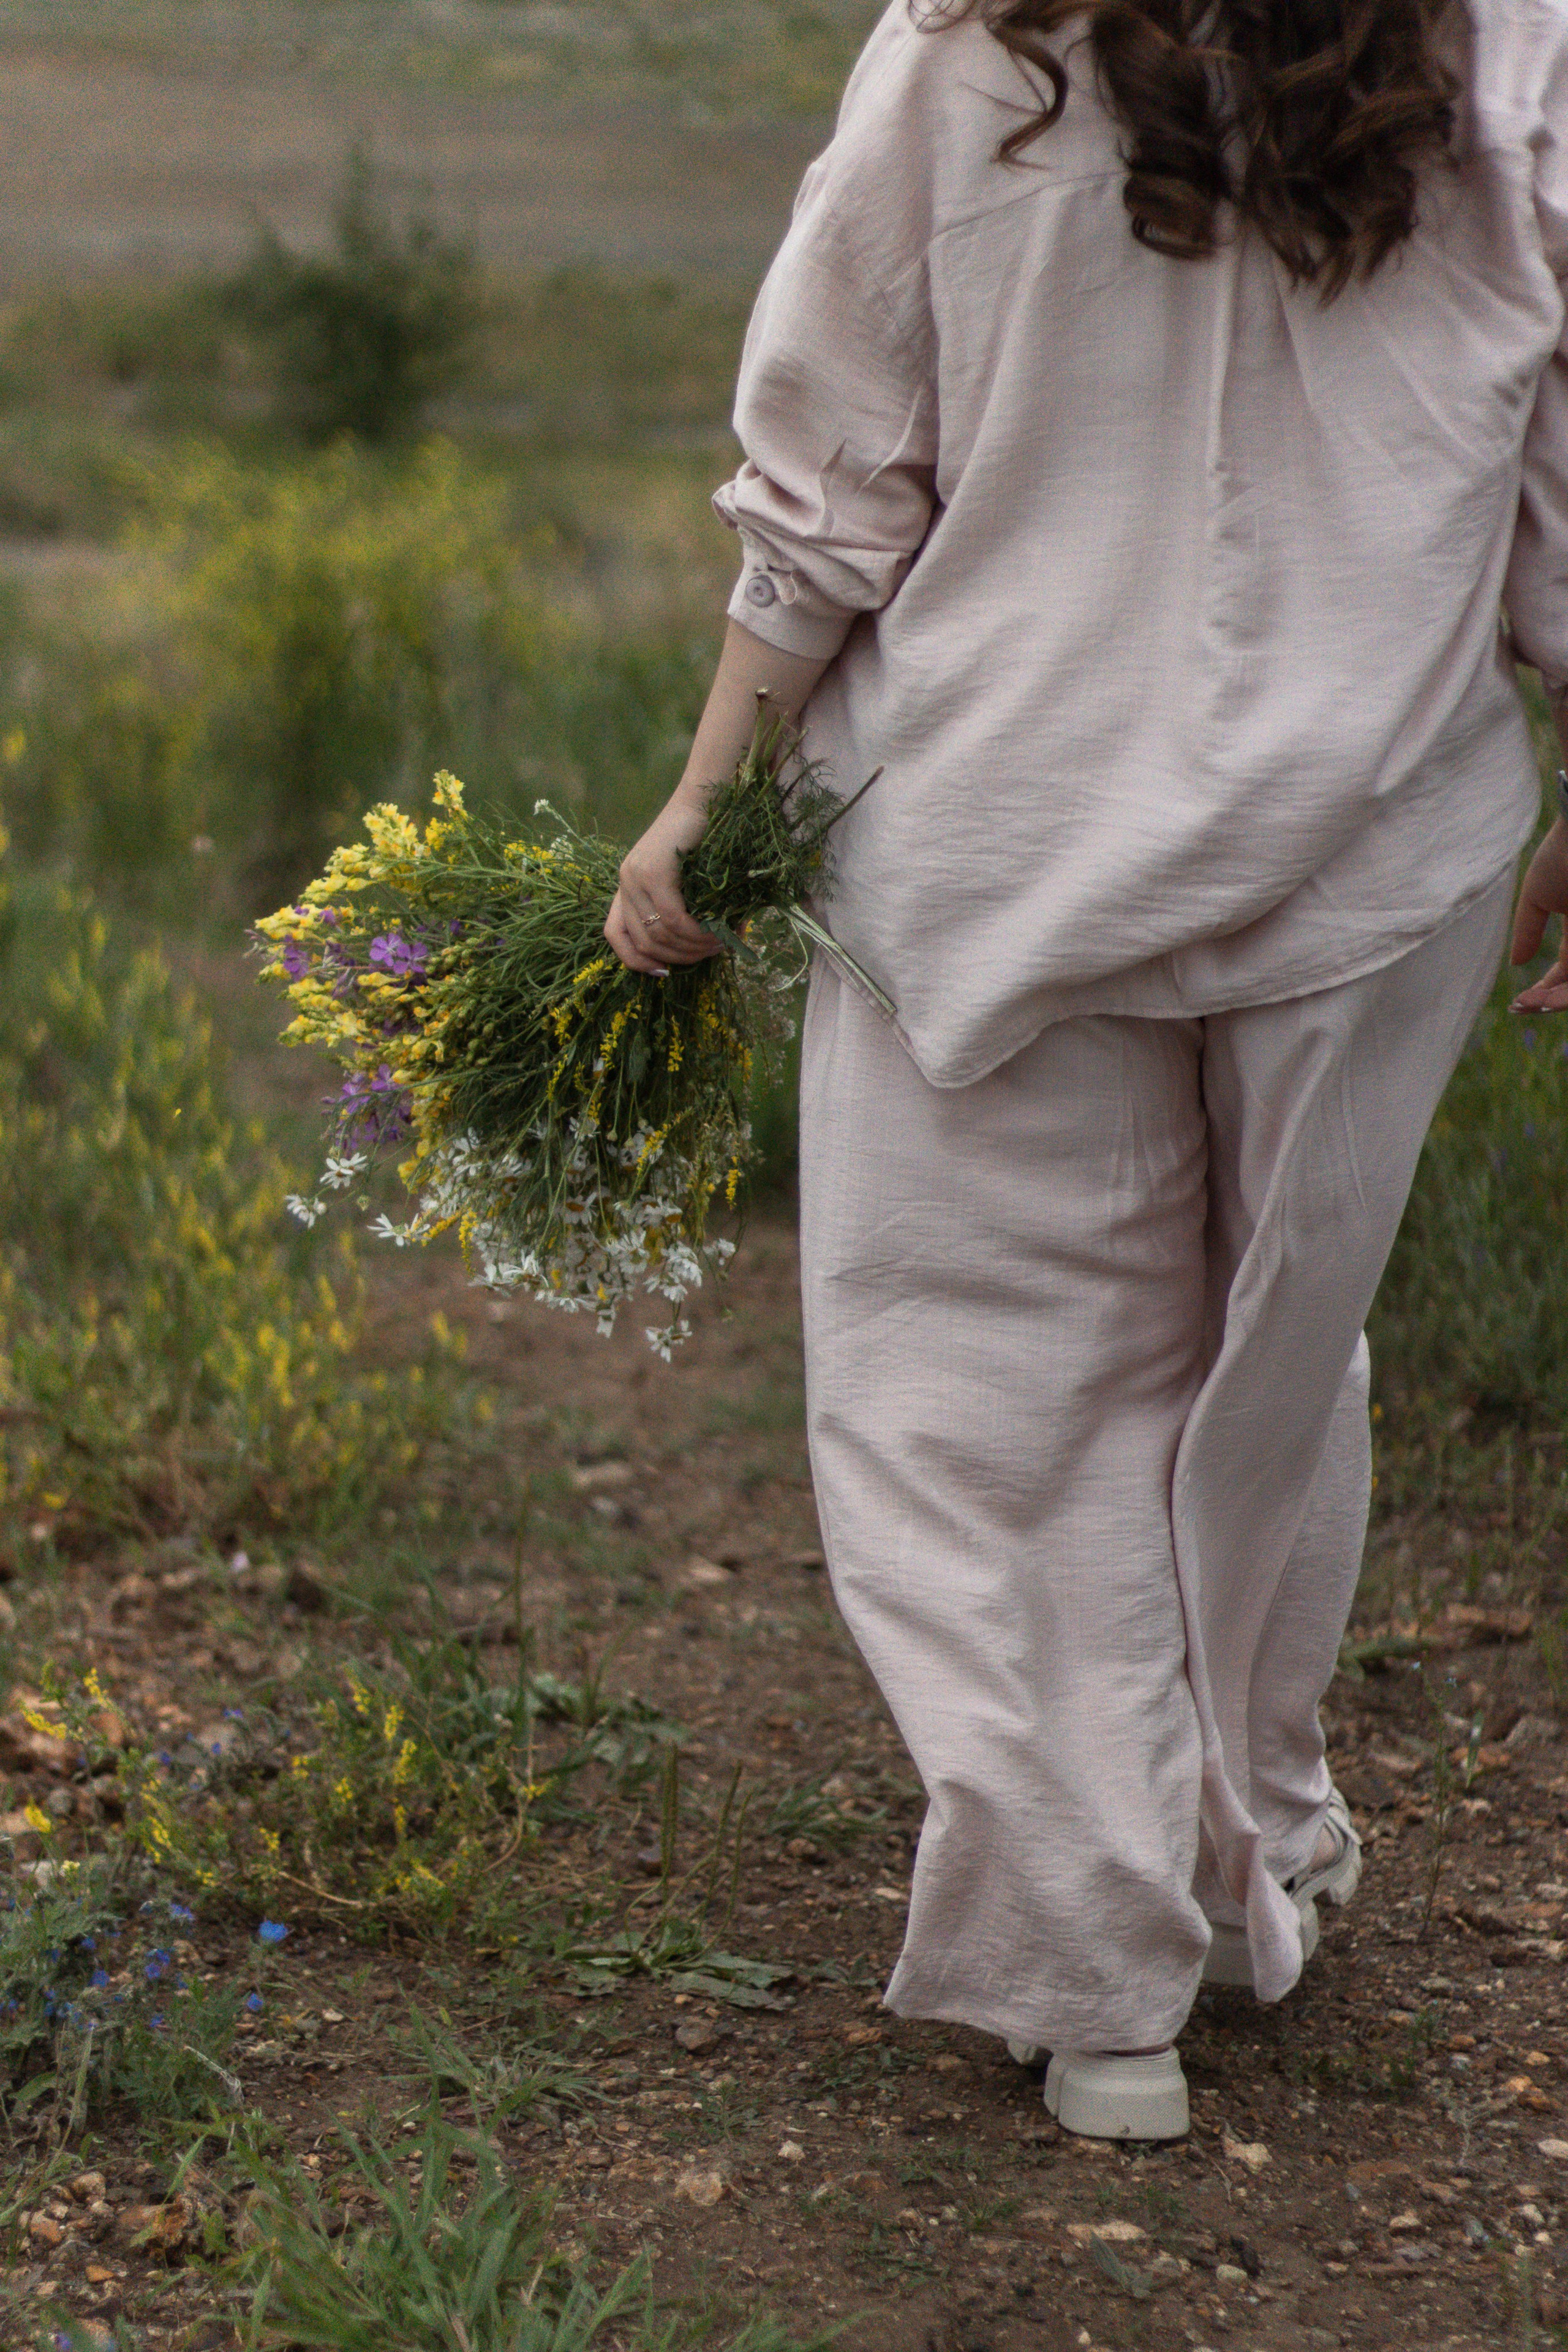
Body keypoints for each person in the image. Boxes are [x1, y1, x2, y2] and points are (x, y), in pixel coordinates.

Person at [603, 0, 1568, 2142]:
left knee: (992, 1395)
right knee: (1266, 1365)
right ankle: (1247, 1852)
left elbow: (838, 468)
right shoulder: (1513, 54)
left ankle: (1094, 1970)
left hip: (1000, 832)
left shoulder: (972, 49)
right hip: (1368, 838)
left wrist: (705, 793)